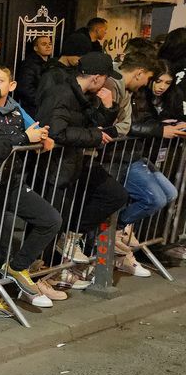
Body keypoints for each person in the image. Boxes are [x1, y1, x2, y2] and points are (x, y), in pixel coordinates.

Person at [0, 70, 64, 311]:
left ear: (12, 85)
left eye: (0, 80)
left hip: (14, 182)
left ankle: (17, 267)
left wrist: (42, 137)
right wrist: (24, 138)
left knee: (51, 219)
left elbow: (35, 132)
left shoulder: (15, 109)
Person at [35, 51, 129, 268]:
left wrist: (108, 108)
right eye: (105, 77)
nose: (106, 83)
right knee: (48, 224)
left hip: (70, 165)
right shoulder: (62, 94)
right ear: (96, 77)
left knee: (58, 221)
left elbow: (94, 123)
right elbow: (56, 132)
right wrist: (94, 136)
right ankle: (39, 273)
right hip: (54, 168)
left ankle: (52, 271)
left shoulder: (83, 95)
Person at [108, 52, 185, 277]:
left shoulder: (142, 95)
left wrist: (163, 124)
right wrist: (161, 129)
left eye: (167, 83)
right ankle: (118, 229)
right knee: (156, 198)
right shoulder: (125, 90)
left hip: (136, 155)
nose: (160, 86)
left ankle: (121, 229)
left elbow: (140, 122)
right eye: (157, 80)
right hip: (123, 156)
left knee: (169, 193)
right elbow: (127, 126)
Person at [15, 35, 54, 112]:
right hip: (33, 109)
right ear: (35, 48)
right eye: (43, 44)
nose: (48, 46)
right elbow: (25, 89)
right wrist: (43, 102)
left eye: (50, 44)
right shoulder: (29, 65)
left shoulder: (51, 64)